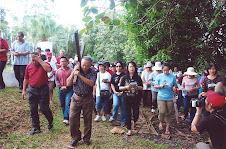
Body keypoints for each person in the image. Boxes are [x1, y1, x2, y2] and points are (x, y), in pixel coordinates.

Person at [66, 56, 97, 147]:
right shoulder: (76, 69)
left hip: (87, 98)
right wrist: (73, 73)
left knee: (87, 119)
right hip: (76, 97)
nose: (84, 67)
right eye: (83, 65)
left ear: (90, 65)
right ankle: (75, 138)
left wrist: (80, 75)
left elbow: (91, 83)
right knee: (72, 118)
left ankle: (87, 138)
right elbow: (68, 83)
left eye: (87, 66)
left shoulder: (93, 72)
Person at [22, 52, 53, 135]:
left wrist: (39, 60)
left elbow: (49, 69)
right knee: (33, 109)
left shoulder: (43, 64)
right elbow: (26, 78)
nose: (34, 62)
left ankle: (50, 120)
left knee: (44, 108)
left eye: (35, 60)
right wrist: (24, 90)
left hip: (43, 89)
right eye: (32, 60)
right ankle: (36, 128)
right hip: (32, 90)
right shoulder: (28, 66)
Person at [119, 61, 143, 136]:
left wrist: (137, 87)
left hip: (136, 98)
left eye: (133, 66)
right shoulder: (124, 78)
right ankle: (129, 129)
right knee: (127, 113)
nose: (131, 68)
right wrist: (126, 87)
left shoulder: (138, 78)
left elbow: (141, 87)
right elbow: (119, 88)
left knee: (136, 113)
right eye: (130, 67)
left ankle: (134, 122)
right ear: (127, 68)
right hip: (126, 98)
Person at [154, 63, 177, 135]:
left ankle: (167, 127)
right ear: (162, 70)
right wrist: (160, 86)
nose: (165, 72)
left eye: (167, 70)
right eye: (164, 70)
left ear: (169, 70)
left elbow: (175, 85)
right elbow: (155, 86)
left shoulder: (172, 77)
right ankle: (161, 122)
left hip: (170, 97)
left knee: (169, 112)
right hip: (161, 96)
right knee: (162, 111)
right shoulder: (159, 76)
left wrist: (174, 87)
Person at [55, 56, 73, 125]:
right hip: (61, 89)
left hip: (69, 89)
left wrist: (67, 87)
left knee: (68, 103)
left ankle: (67, 118)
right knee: (62, 104)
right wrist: (60, 87)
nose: (63, 63)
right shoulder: (58, 71)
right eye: (61, 61)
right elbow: (56, 80)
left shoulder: (71, 70)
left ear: (67, 62)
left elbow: (73, 80)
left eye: (64, 61)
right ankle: (66, 116)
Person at [109, 62, 126, 126]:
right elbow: (112, 84)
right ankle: (113, 117)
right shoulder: (113, 75)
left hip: (123, 93)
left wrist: (122, 92)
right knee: (115, 105)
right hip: (115, 93)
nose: (118, 68)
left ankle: (123, 121)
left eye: (119, 66)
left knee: (123, 107)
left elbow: (126, 85)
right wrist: (115, 92)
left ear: (122, 67)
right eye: (117, 66)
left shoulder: (124, 75)